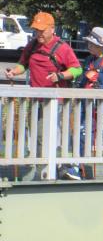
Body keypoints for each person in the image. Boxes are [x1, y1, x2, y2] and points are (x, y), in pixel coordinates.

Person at [5, 12, 82, 180]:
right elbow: (23, 64)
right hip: (36, 101)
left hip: (57, 101)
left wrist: (60, 76)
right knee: (40, 136)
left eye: (42, 30)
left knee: (49, 136)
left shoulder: (62, 48)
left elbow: (77, 69)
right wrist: (13, 72)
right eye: (36, 30)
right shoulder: (32, 46)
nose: (38, 33)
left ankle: (51, 169)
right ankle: (49, 169)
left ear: (52, 29)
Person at [65, 27, 103, 180]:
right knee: (81, 135)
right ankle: (78, 169)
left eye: (92, 43)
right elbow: (83, 81)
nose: (89, 46)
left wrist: (101, 88)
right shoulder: (88, 60)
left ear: (102, 46)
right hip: (88, 106)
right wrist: (77, 91)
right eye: (89, 43)